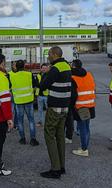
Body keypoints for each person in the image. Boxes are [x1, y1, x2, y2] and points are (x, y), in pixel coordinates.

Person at [40, 46, 72, 179]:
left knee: (49, 135)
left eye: (49, 54)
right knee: (60, 136)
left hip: (55, 107)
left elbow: (43, 86)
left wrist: (45, 73)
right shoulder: (67, 66)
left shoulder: (55, 68)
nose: (48, 56)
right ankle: (61, 166)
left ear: (54, 54)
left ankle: (55, 169)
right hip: (65, 107)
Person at [10, 60, 39, 146]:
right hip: (29, 101)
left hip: (18, 101)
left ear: (16, 67)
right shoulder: (29, 75)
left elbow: (9, 87)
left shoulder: (12, 76)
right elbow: (36, 84)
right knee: (31, 120)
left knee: (20, 121)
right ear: (24, 66)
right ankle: (33, 140)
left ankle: (22, 139)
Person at [70, 59, 96, 157]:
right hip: (90, 105)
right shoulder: (89, 74)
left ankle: (84, 149)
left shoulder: (73, 78)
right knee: (86, 127)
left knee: (82, 128)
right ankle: (85, 147)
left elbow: (73, 95)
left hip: (80, 106)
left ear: (73, 66)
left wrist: (71, 106)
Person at [8, 61, 18, 130]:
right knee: (10, 111)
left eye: (15, 65)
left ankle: (16, 125)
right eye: (13, 65)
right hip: (11, 95)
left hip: (18, 95)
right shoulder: (9, 74)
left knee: (17, 111)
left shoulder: (20, 74)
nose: (14, 66)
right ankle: (9, 126)